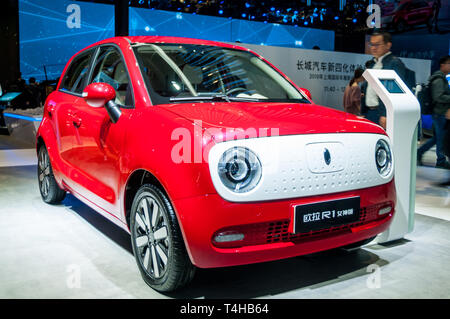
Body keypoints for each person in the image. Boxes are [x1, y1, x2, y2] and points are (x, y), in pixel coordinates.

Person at [361, 31, 407, 130]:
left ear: (388, 45)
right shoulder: (372, 64)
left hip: (382, 114)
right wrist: (363, 112)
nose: (373, 48)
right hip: (369, 112)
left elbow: (395, 93)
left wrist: (385, 114)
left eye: (377, 44)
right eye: (371, 44)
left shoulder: (394, 63)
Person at [417, 55, 450, 169]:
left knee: (438, 137)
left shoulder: (441, 78)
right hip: (439, 113)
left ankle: (420, 153)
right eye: (449, 64)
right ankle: (440, 161)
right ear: (443, 65)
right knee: (441, 137)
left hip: (440, 113)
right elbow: (438, 97)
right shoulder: (439, 79)